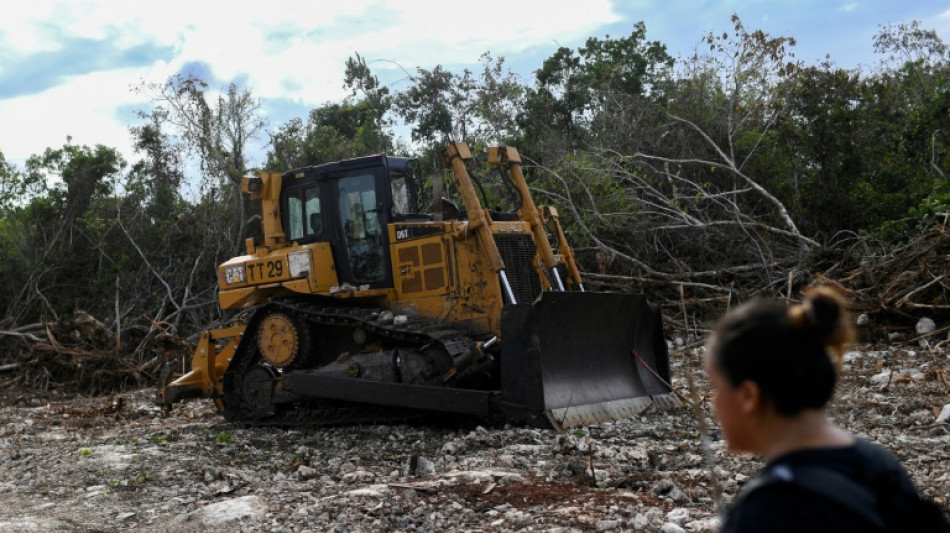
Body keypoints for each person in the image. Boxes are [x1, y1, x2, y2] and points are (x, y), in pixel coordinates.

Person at [705, 287, 949, 533]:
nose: (714, 403)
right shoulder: (880, 465)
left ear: (748, 396)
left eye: (716, 386)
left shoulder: (765, 513)